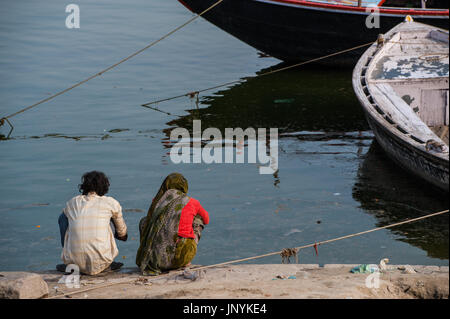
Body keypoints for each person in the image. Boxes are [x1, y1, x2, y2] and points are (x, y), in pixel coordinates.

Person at [136, 173, 209, 276]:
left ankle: (148, 255)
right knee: (197, 220)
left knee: (144, 222)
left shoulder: (157, 201)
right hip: (179, 260)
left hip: (154, 261)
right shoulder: (192, 202)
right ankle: (186, 261)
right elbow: (206, 219)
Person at [57, 171, 128, 275]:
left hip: (74, 263)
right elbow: (123, 235)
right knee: (109, 219)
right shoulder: (111, 203)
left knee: (63, 217)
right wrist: (120, 235)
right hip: (102, 262)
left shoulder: (73, 202)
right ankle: (105, 262)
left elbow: (65, 221)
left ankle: (71, 256)